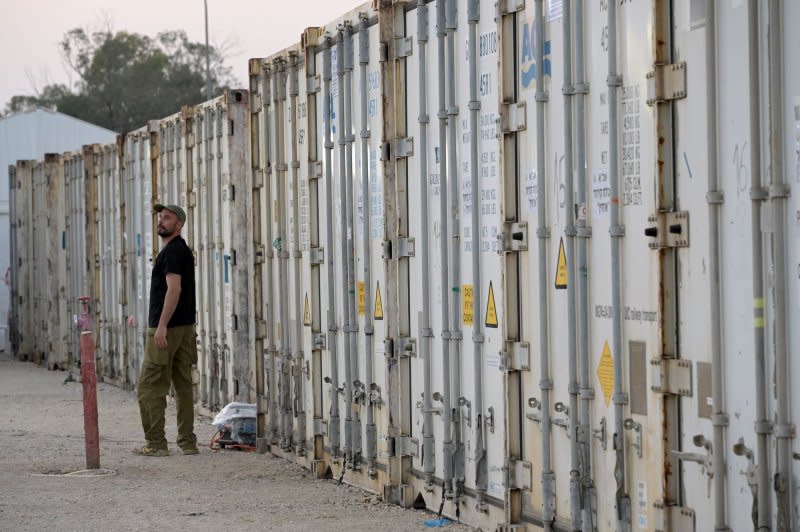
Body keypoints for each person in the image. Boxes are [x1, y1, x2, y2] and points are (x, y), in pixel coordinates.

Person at [134, 204, 198, 456]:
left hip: (167, 330)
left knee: (149, 387)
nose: (161, 220)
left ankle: (156, 444)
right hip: (184, 328)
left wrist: (161, 326)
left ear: (179, 224)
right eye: (160, 217)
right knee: (183, 386)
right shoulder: (182, 251)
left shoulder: (172, 252)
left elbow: (174, 289)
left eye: (167, 217)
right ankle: (188, 442)